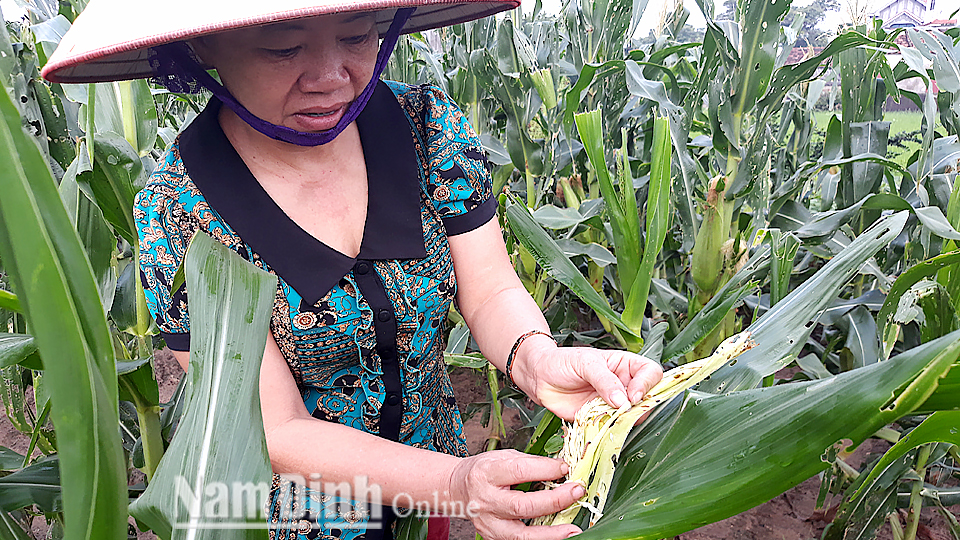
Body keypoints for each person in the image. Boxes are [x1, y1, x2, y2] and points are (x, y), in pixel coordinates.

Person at [43, 2, 663, 539]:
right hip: (298, 517)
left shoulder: (427, 128)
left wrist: (538, 360)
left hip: (438, 498)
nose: (331, 76)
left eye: (358, 34)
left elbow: (492, 290)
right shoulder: (180, 206)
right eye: (283, 47)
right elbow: (274, 426)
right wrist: (454, 483)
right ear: (203, 44)